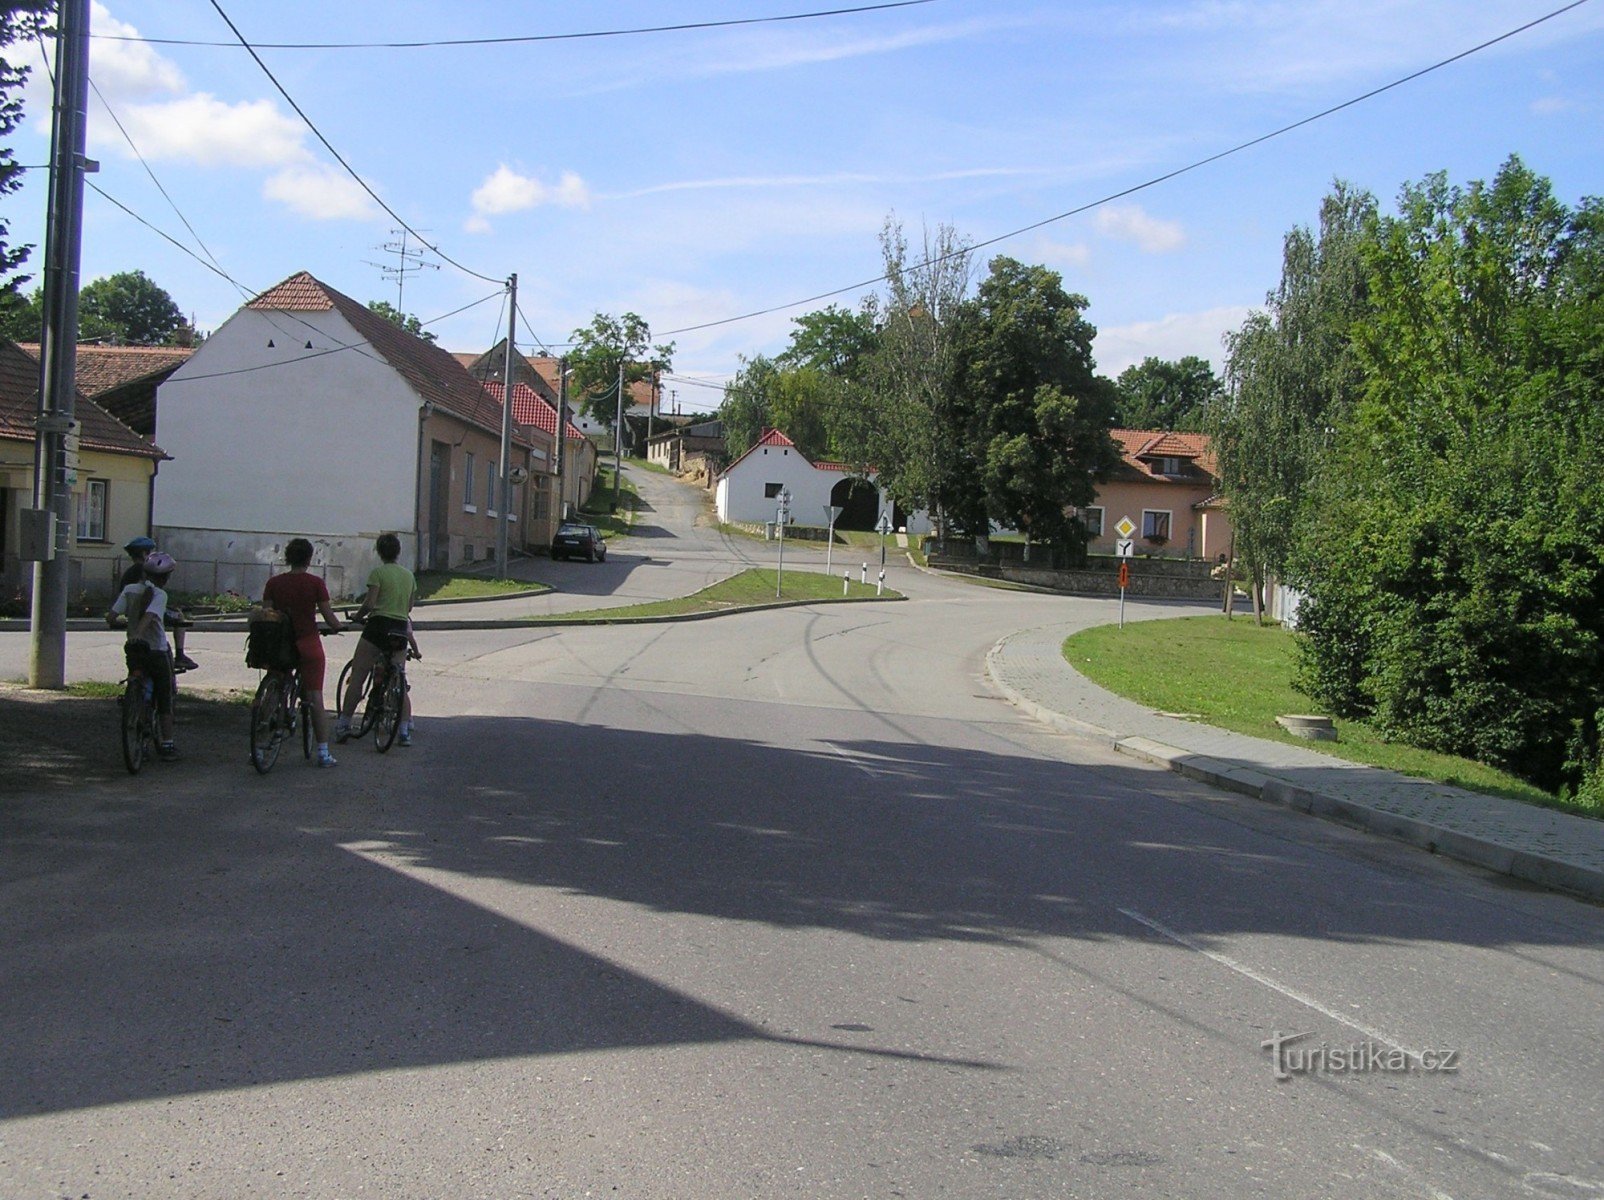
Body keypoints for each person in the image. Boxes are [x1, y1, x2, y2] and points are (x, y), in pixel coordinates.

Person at [261, 537, 343, 768]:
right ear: (309, 558)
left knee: (275, 682)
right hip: (307, 640)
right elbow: (328, 616)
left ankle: (261, 736)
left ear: (287, 558)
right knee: (315, 694)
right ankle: (323, 752)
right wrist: (339, 627)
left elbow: (267, 614)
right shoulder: (315, 583)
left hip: (280, 643)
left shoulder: (274, 583)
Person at [336, 532, 418, 746]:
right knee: (399, 677)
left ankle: (344, 723)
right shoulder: (409, 576)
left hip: (378, 627)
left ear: (379, 552)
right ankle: (403, 731)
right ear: (398, 552)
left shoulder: (378, 573)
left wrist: (358, 616)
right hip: (400, 628)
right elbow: (409, 607)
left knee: (359, 674)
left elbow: (370, 604)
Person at [107, 550, 181, 761]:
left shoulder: (129, 590)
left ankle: (135, 708)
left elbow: (111, 616)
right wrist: (140, 633)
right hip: (156, 650)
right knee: (165, 696)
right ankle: (167, 744)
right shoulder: (160, 595)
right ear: (165, 577)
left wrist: (128, 629)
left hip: (133, 650)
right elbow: (150, 616)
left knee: (136, 680)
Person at [120, 536, 199, 672]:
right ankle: (180, 654)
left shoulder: (129, 572)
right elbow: (153, 597)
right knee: (179, 616)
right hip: (145, 611)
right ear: (145, 553)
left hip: (131, 610)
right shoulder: (147, 570)